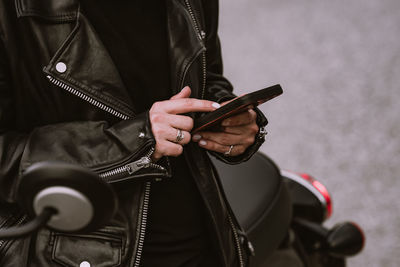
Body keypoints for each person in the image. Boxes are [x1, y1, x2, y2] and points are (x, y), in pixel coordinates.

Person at [0, 0, 268, 266]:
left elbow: (206, 73)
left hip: (205, 238)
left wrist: (225, 117)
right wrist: (134, 141)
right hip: (79, 252)